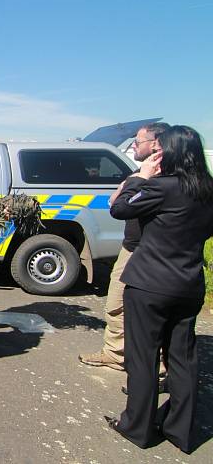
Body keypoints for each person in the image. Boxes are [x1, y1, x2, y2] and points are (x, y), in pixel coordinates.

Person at [105, 125, 213, 454]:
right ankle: (179, 430)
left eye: (160, 150)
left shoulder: (164, 187)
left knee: (143, 357)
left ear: (173, 153)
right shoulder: (208, 190)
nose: (156, 155)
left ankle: (137, 426)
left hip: (150, 285)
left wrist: (140, 176)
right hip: (188, 283)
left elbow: (120, 208)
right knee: (182, 358)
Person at [79, 122, 171, 371]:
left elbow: (119, 205)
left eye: (138, 142)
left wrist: (139, 179)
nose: (134, 145)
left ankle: (160, 364)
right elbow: (114, 200)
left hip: (152, 252)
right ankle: (115, 352)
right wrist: (138, 176)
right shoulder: (144, 172)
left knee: (153, 310)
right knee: (116, 305)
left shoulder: (165, 177)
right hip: (131, 247)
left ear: (155, 144)